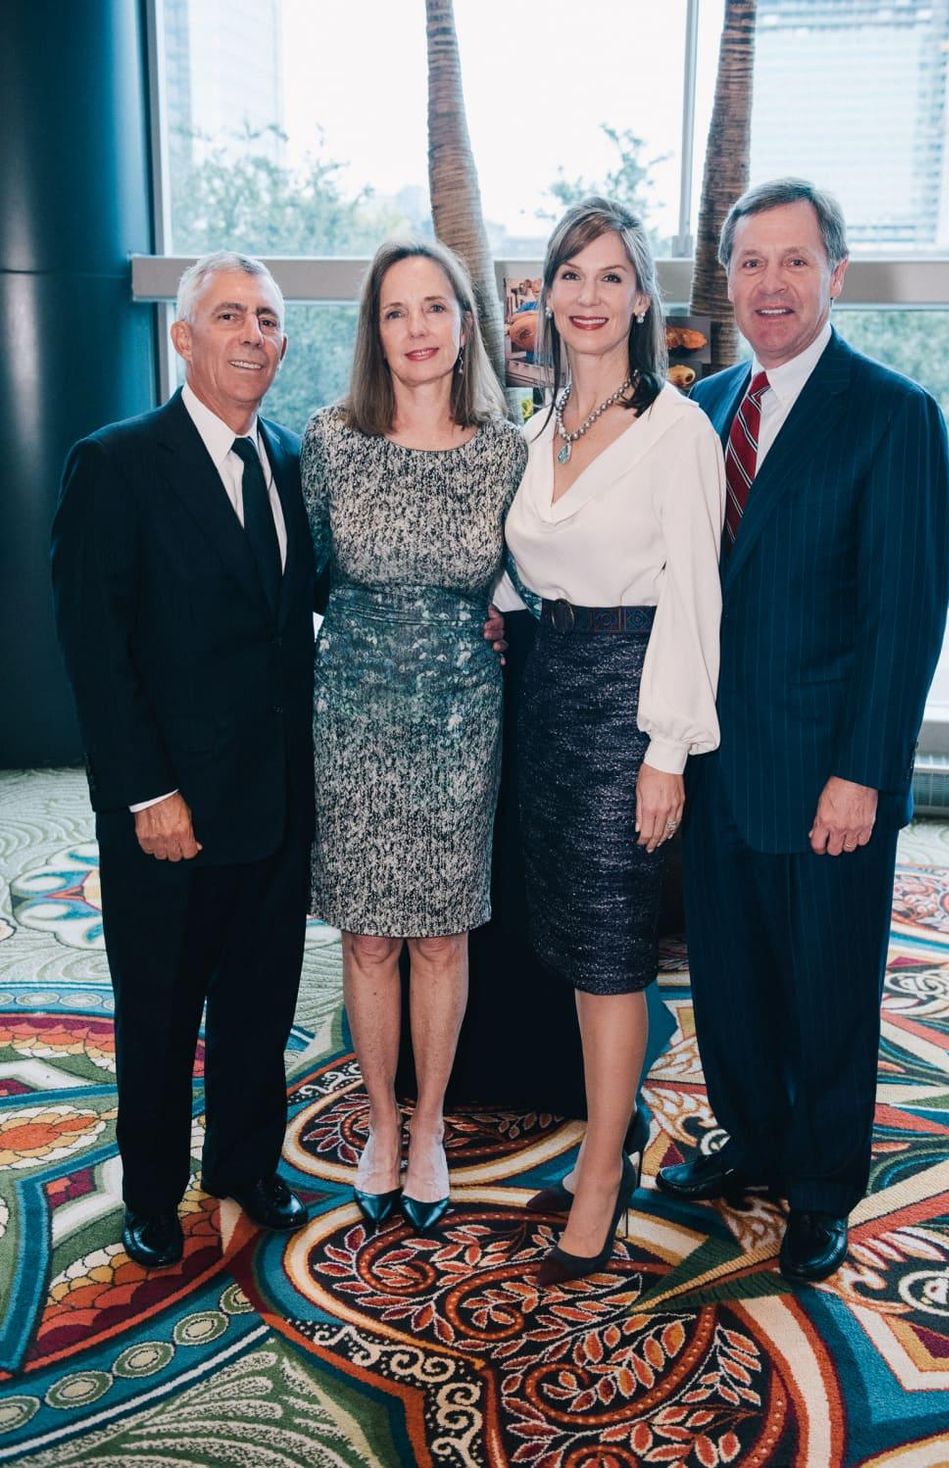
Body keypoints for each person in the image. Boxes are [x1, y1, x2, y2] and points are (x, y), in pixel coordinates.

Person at [655, 179, 949, 1285]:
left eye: (793, 260)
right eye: (750, 262)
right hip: (713, 765)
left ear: (835, 273)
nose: (769, 283)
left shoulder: (892, 414)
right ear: (727, 279)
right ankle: (753, 1139)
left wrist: (862, 772)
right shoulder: (700, 408)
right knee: (729, 983)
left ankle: (823, 1185)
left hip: (829, 774)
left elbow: (904, 615)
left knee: (828, 990)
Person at [51, 252, 314, 1269]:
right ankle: (152, 1193)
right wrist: (146, 792)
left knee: (260, 1001)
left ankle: (245, 1164)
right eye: (230, 316)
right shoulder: (115, 464)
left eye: (268, 319)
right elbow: (95, 650)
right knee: (159, 1013)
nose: (254, 336)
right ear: (183, 336)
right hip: (171, 809)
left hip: (276, 800)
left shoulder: (287, 458)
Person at [506, 196, 725, 1285]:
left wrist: (665, 752)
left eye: (610, 277)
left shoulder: (676, 431)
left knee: (608, 958)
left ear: (642, 300)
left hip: (628, 703)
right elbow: (528, 563)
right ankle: (616, 1126)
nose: (587, 297)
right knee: (569, 939)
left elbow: (693, 597)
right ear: (546, 293)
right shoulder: (537, 424)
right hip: (546, 696)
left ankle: (601, 1176)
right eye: (570, 275)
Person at [301, 239, 527, 1235]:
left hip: (459, 721)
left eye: (435, 307)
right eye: (396, 311)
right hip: (352, 714)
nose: (417, 328)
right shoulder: (331, 440)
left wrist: (502, 621)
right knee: (366, 934)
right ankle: (381, 1124)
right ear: (374, 331)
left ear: (465, 325)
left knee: (439, 934)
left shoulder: (504, 449)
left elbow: (530, 572)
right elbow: (309, 572)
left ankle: (429, 1124)